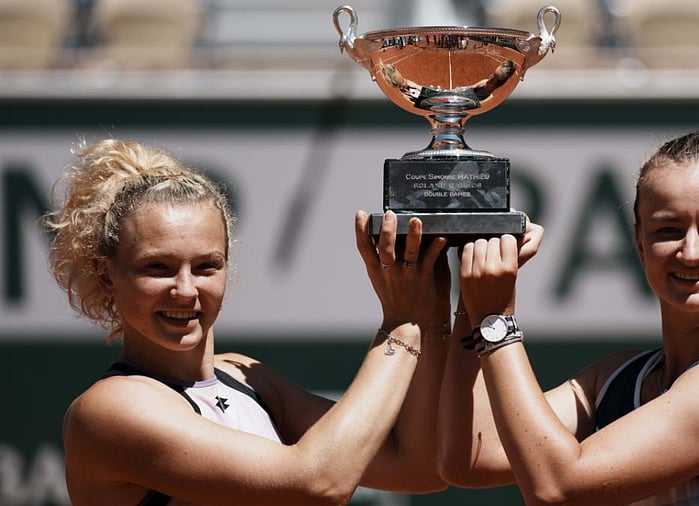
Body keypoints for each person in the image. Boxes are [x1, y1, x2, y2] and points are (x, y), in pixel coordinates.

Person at [43, 138, 449, 506]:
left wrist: (440, 309)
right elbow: (319, 483)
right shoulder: (111, 409)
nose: (185, 289)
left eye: (206, 267)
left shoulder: (248, 378)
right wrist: (401, 326)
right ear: (105, 275)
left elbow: (418, 467)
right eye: (158, 268)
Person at [437, 131, 699, 504]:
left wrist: (496, 320)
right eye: (668, 229)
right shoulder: (616, 378)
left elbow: (556, 487)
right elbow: (469, 458)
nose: (690, 251)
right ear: (639, 242)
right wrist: (472, 296)